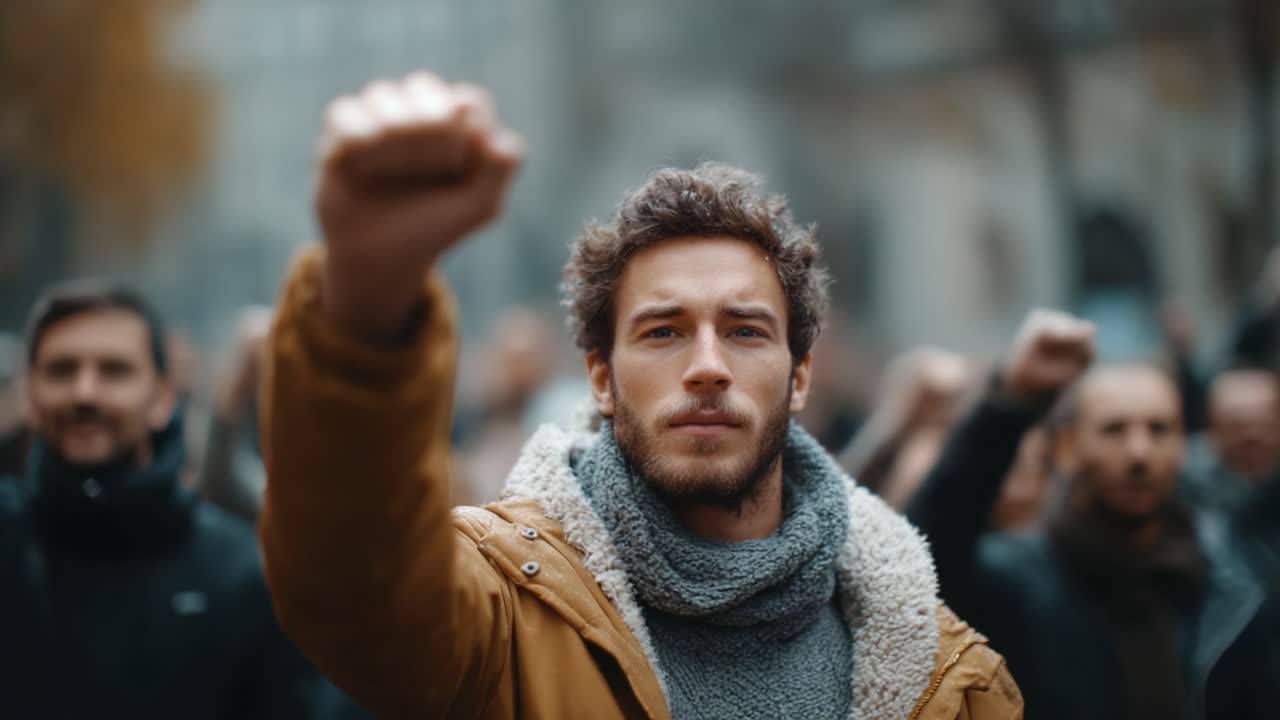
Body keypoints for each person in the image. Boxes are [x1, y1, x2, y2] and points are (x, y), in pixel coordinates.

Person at [258, 72, 1023, 719]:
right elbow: (357, 593)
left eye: (747, 331)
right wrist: (362, 306)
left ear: (801, 377)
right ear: (599, 375)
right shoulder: (502, 608)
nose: (707, 366)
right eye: (663, 332)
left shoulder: (954, 686)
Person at [907, 310, 1278, 720]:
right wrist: (1008, 402)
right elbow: (927, 554)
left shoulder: (1232, 579)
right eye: (1114, 430)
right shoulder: (1016, 580)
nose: (1139, 453)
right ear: (1066, 448)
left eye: (1158, 429)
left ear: (1185, 446)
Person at [0, 282, 347, 719]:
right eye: (61, 370)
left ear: (163, 396)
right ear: (29, 394)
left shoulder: (242, 577)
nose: (84, 392)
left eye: (114, 370)